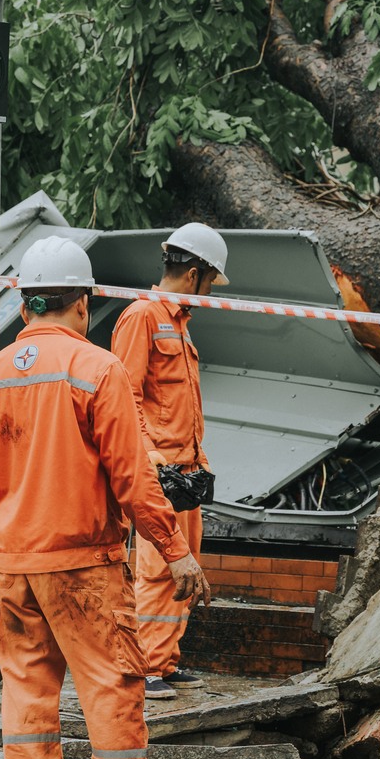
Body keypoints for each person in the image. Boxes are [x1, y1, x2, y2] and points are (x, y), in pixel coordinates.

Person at [0, 235, 216, 759]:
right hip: (82, 569)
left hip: (12, 569)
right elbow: (133, 479)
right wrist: (175, 549)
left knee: (26, 706)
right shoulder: (96, 371)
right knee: (113, 697)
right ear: (84, 304)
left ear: (24, 308)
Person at [111, 222, 228, 701]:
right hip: (161, 472)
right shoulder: (142, 316)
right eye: (209, 282)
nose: (209, 293)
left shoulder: (178, 323)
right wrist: (149, 454)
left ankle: (164, 660)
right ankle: (145, 669)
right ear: (195, 273)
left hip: (186, 471)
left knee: (185, 570)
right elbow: (125, 395)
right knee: (158, 570)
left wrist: (196, 459)